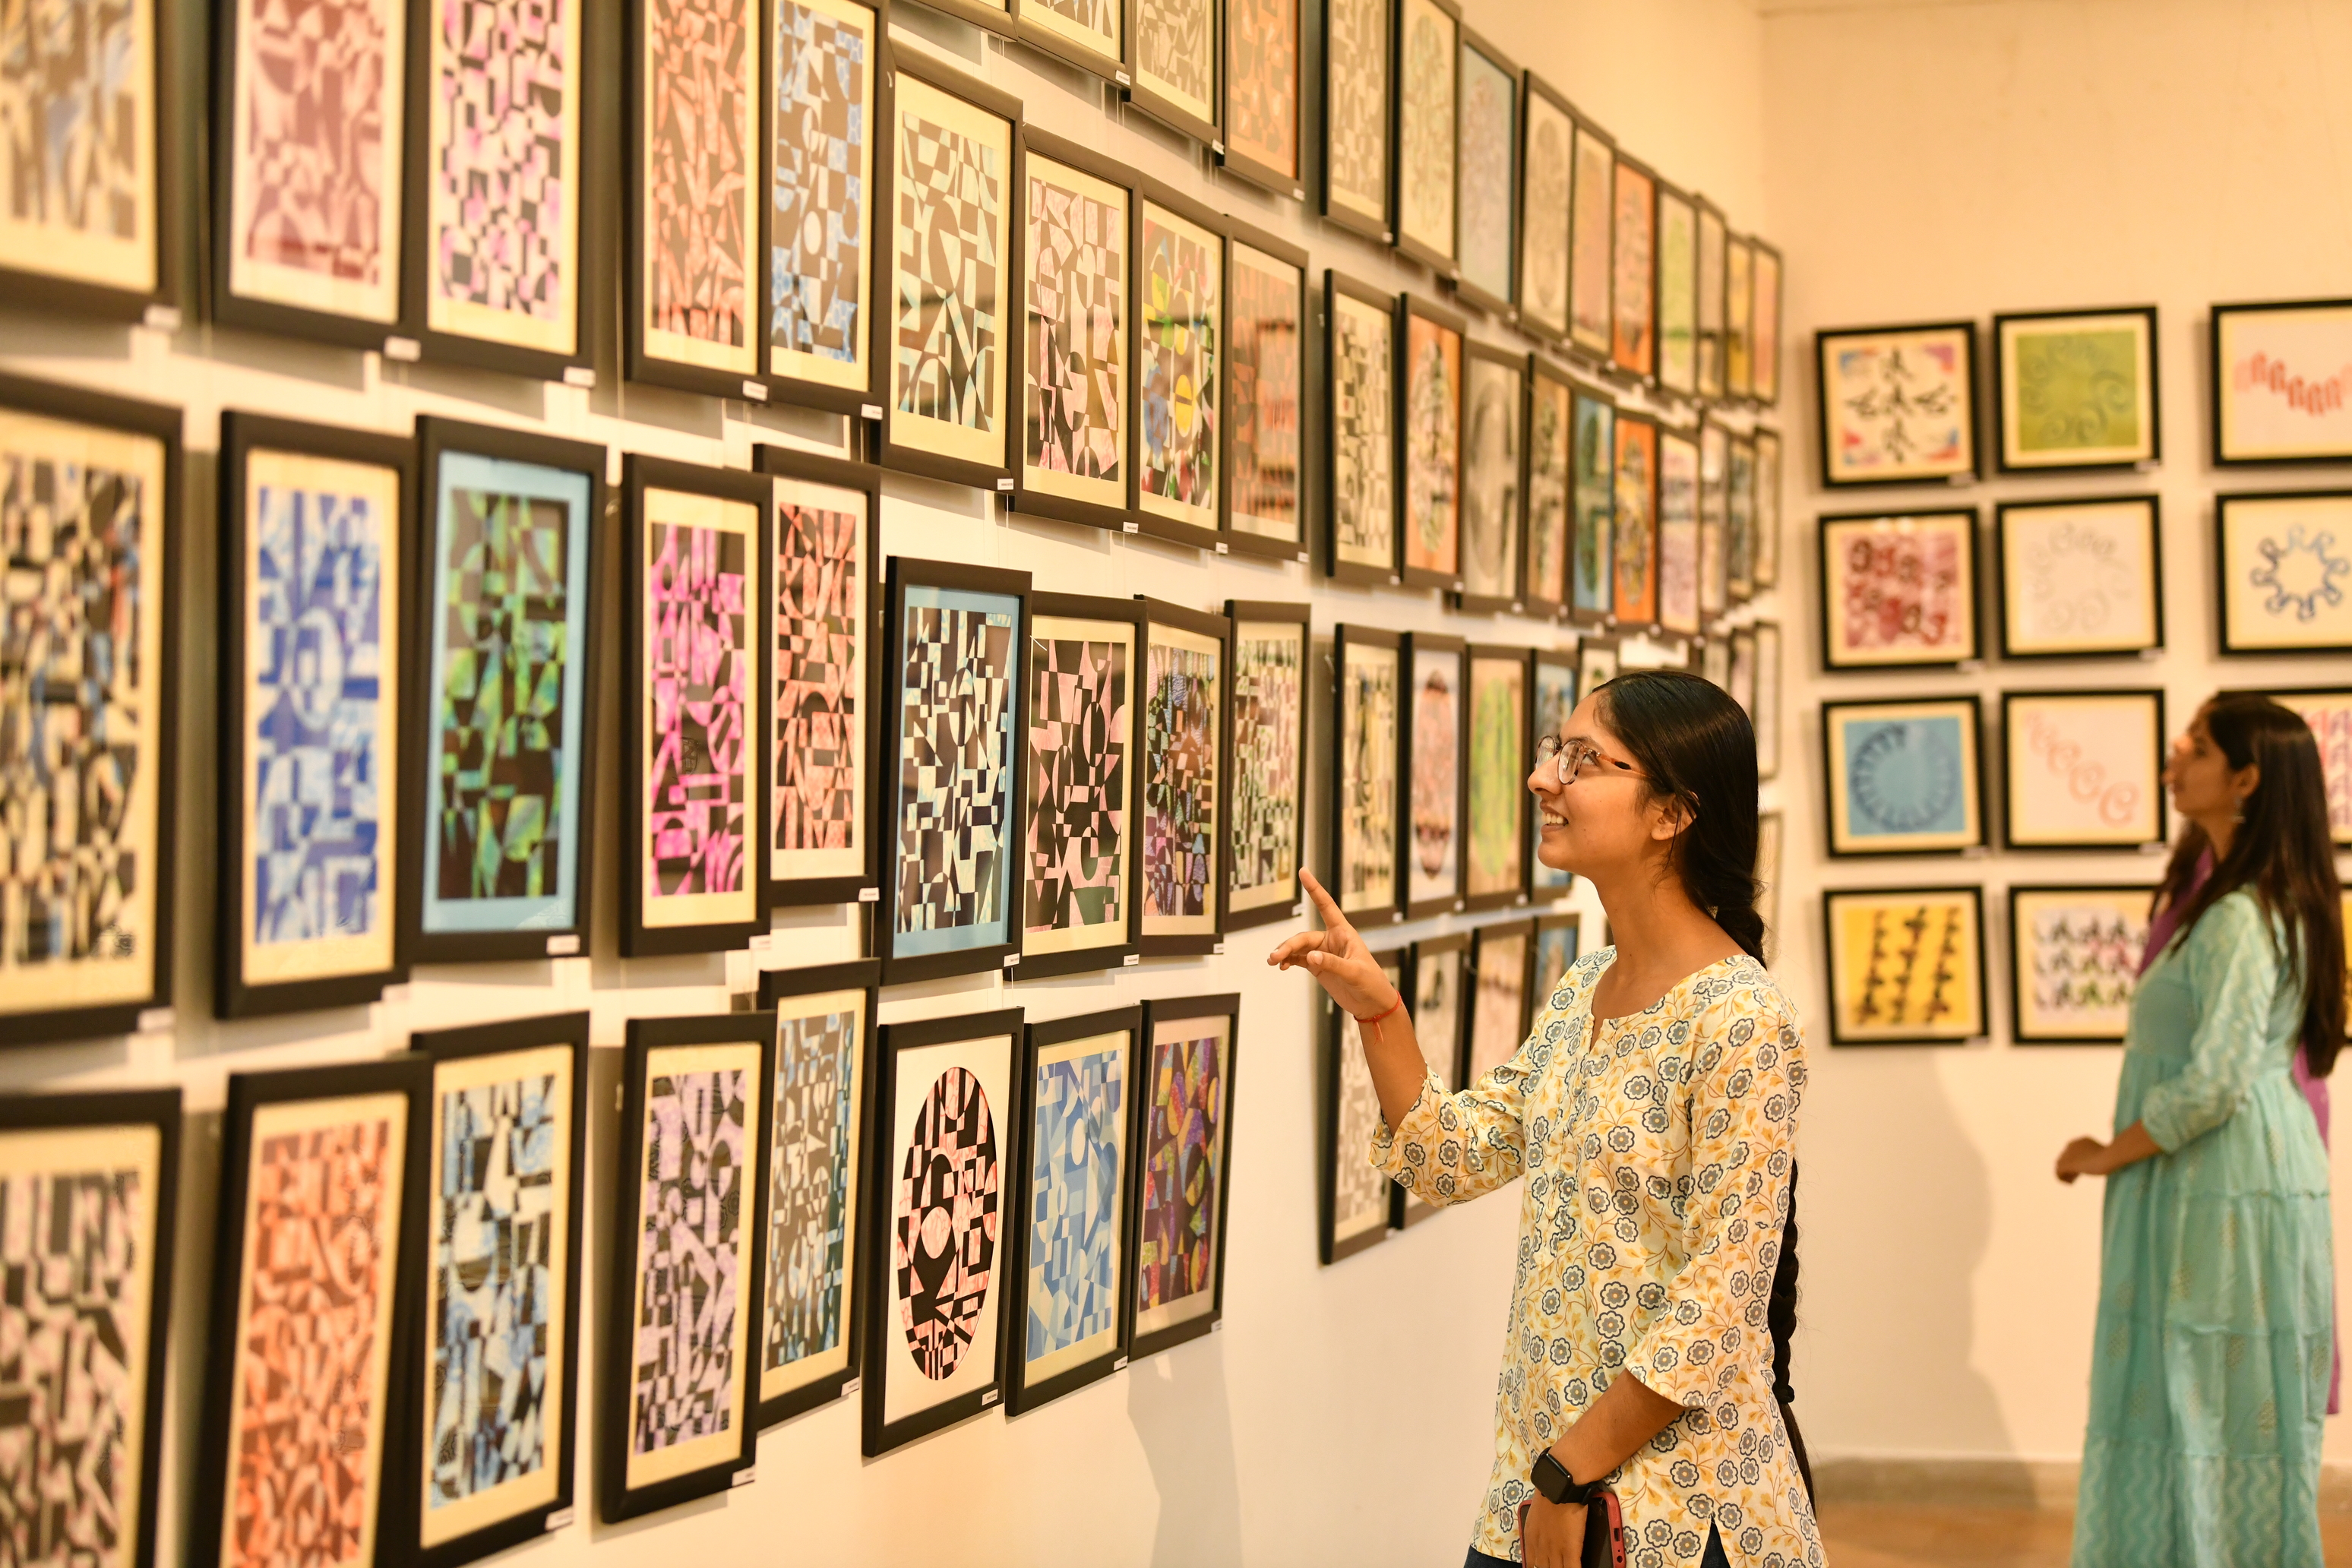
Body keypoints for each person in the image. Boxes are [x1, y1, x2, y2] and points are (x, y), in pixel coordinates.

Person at [1271, 670, 1821, 1568]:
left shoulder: (1742, 1018)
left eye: (1581, 760)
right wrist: (1381, 1014)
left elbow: (1718, 1306)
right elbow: (1450, 1159)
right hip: (1539, 1494)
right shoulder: (1583, 990)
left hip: (1677, 1516)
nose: (1541, 779)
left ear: (1672, 814)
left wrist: (1569, 1475)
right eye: (1550, 753)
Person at [2056, 694, 2344, 1566]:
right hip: (2218, 1177)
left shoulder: (2242, 915)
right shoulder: (2230, 900)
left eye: (2200, 747)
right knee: (2197, 1401)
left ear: (2247, 779)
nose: (2174, 757)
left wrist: (2104, 1154)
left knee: (2206, 1403)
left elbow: (2216, 1084)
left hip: (2222, 1183)